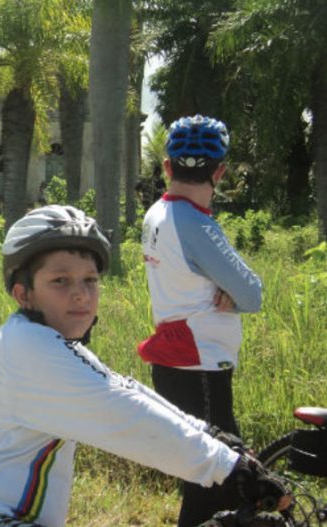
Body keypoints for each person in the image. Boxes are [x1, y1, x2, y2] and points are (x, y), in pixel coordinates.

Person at [0, 205, 285, 527]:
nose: (81, 294)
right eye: (60, 281)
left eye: (90, 280)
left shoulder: (48, 342)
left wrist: (215, 437)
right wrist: (229, 468)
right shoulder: (27, 348)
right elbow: (121, 413)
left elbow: (124, 389)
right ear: (23, 293)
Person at [137, 115, 263, 526]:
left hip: (176, 361)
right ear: (220, 172)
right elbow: (252, 294)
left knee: (203, 475)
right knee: (216, 480)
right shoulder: (196, 225)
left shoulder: (156, 213)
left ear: (167, 167)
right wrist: (234, 294)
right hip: (200, 363)